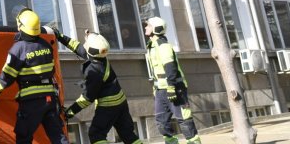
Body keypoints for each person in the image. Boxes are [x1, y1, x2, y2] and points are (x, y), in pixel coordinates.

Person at [0, 9, 68, 144]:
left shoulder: (18, 49)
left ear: (21, 26)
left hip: (31, 102)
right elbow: (51, 70)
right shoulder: (46, 45)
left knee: (24, 137)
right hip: (50, 99)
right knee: (58, 137)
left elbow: (7, 77)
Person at [54, 29, 142, 144]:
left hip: (108, 106)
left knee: (96, 135)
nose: (84, 43)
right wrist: (60, 36)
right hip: (121, 103)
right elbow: (78, 47)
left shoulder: (94, 71)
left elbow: (88, 97)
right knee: (128, 135)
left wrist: (70, 111)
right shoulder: (99, 57)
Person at [145, 16, 201, 144]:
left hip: (175, 87)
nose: (145, 27)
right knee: (161, 121)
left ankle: (194, 141)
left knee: (184, 119)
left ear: (155, 29)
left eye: (148, 25)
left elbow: (170, 68)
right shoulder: (152, 46)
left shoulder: (163, 45)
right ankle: (171, 141)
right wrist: (156, 88)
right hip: (161, 90)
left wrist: (171, 87)